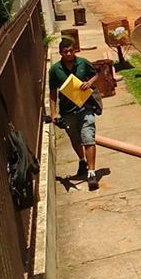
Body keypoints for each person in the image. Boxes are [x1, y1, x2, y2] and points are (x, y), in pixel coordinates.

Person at [49, 38, 102, 191]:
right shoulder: (54, 70)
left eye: (71, 50)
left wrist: (90, 82)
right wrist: (53, 113)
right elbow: (53, 92)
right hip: (67, 111)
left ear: (75, 50)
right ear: (60, 53)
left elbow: (96, 74)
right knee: (75, 139)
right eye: (65, 52)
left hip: (85, 107)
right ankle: (81, 160)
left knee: (88, 137)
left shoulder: (83, 63)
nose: (69, 54)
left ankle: (91, 173)